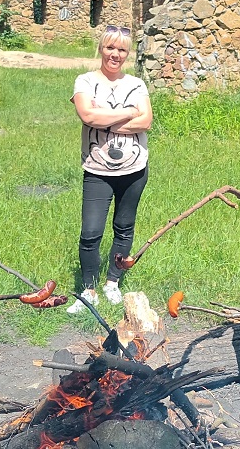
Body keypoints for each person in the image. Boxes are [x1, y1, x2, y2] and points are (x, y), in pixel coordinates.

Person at [65, 24, 153, 314]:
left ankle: (113, 283)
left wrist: (104, 119)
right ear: (101, 48)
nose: (115, 54)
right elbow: (87, 115)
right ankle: (89, 290)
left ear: (128, 54)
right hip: (97, 169)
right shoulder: (85, 81)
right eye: (110, 47)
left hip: (134, 169)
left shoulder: (137, 84)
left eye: (122, 50)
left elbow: (146, 122)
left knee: (124, 228)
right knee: (91, 232)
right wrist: (128, 112)